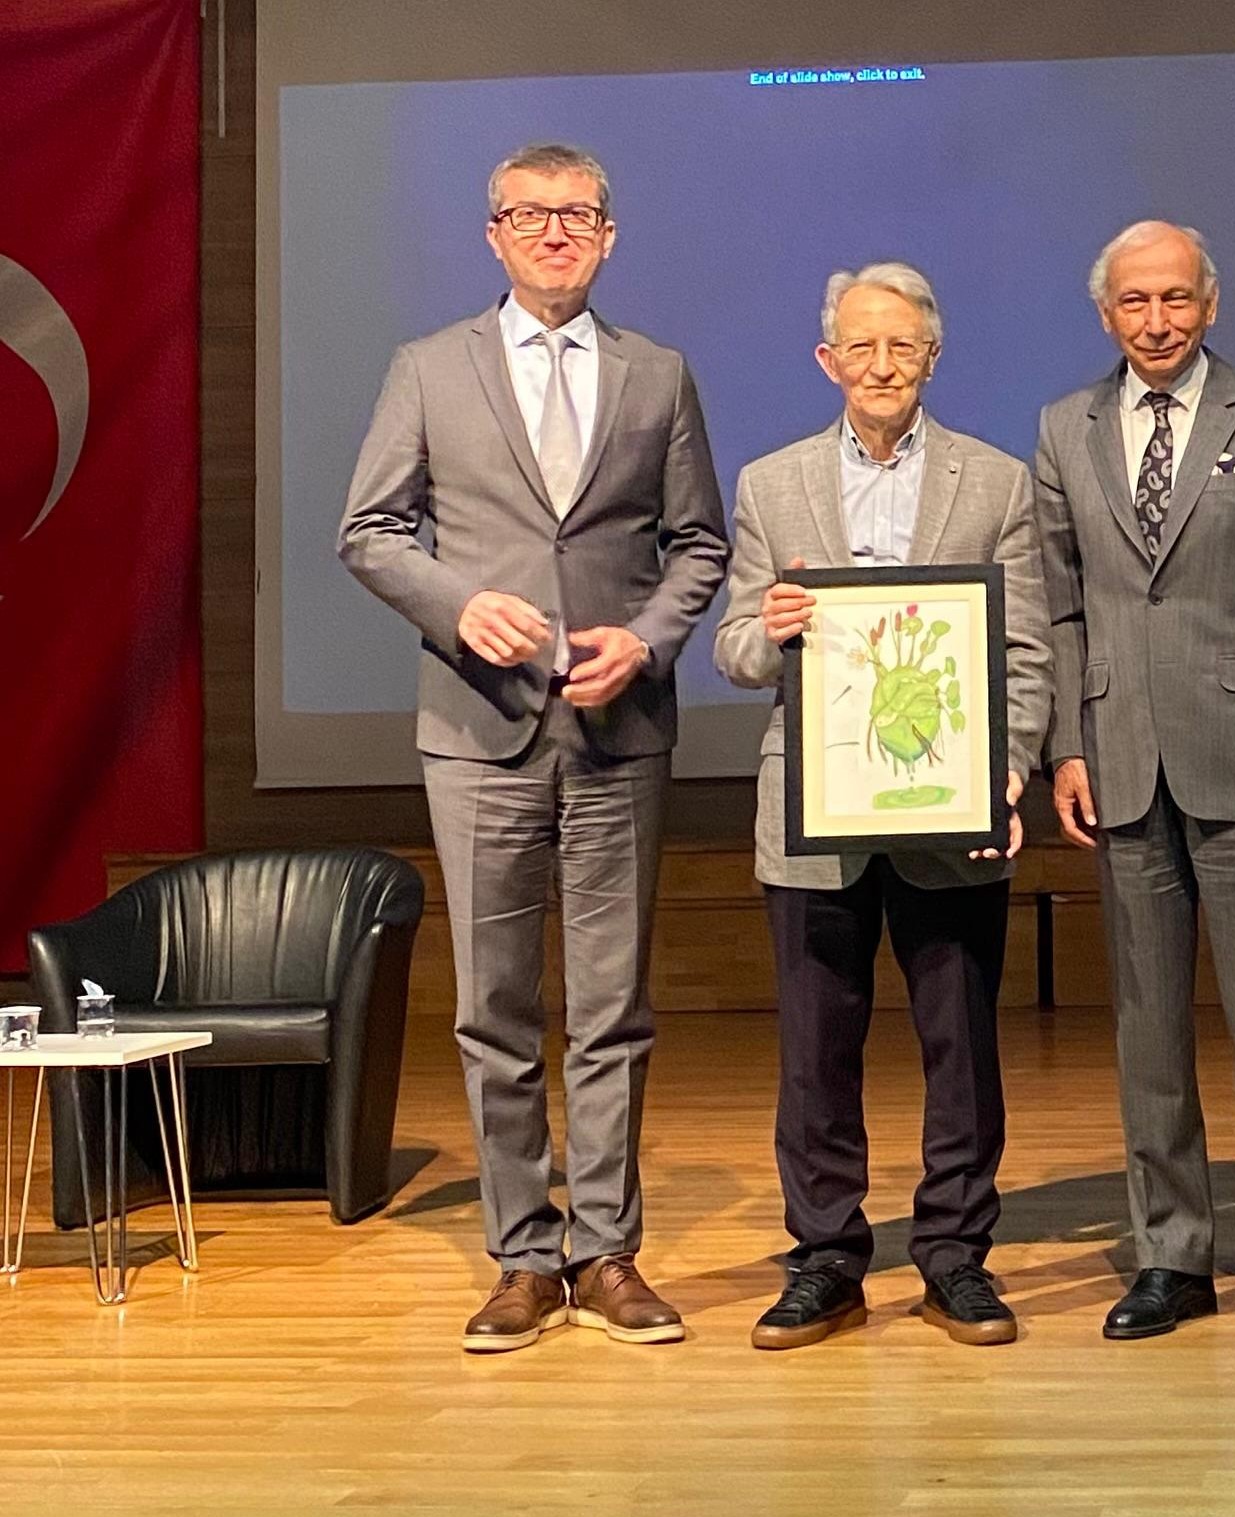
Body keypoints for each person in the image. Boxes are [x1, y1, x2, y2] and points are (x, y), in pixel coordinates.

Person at [339, 143, 728, 1353]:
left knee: (611, 1007)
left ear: (609, 235)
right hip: (477, 731)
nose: (555, 233)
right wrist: (458, 605)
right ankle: (522, 1255)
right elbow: (369, 528)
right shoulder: (428, 367)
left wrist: (652, 642)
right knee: (495, 1008)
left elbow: (699, 547)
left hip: (618, 731)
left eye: (578, 216)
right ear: (493, 233)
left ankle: (607, 1251)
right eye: (530, 215)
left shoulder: (657, 373)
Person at [713, 263, 1050, 1350]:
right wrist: (769, 625)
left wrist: (1010, 767)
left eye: (901, 346)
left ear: (933, 357)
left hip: (952, 809)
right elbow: (730, 650)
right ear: (828, 362)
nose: (881, 366)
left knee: (962, 1043)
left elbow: (1027, 652)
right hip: (813, 814)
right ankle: (825, 1260)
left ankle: (954, 1255)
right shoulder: (771, 485)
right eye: (860, 347)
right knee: (815, 1052)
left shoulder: (997, 482)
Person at [1034, 220, 1235, 1343]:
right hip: (1122, 762)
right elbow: (1060, 604)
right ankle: (1171, 1252)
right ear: (1107, 314)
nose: (1157, 320)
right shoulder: (1063, 428)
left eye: (1176, 299)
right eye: (1135, 302)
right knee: (1148, 1032)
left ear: (1209, 304)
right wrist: (1067, 744)